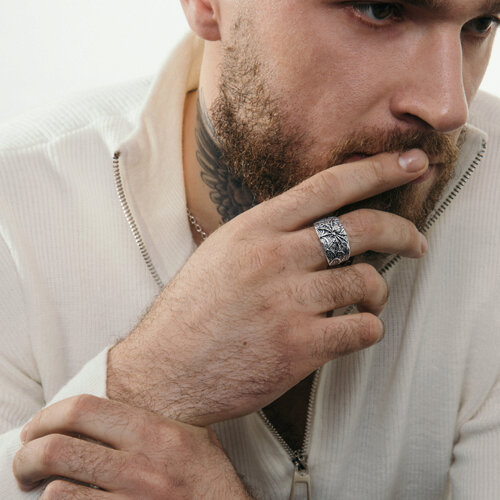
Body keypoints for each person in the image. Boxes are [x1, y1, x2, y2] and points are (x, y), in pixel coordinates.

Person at [1, 0, 499, 497]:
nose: (448, 107)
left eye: (481, 23)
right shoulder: (16, 211)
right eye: (379, 9)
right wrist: (146, 381)